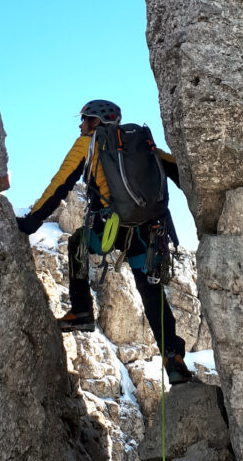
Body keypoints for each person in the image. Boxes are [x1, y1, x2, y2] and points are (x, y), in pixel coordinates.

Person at [16, 99, 192, 385]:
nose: (80, 124)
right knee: (152, 294)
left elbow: (60, 184)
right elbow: (175, 169)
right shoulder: (138, 145)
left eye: (84, 119)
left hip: (110, 227)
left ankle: (82, 310)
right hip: (148, 232)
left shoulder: (88, 144)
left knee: (78, 243)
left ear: (96, 122)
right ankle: (173, 359)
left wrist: (30, 222)